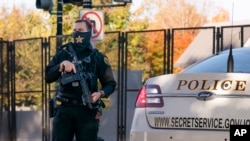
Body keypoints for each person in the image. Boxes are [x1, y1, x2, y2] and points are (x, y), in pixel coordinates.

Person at [45, 19, 117, 141]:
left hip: (87, 111)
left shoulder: (98, 57)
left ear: (89, 33)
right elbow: (48, 77)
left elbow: (110, 84)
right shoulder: (63, 53)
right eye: (74, 30)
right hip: (64, 109)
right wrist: (61, 65)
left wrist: (100, 94)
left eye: (80, 30)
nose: (77, 33)